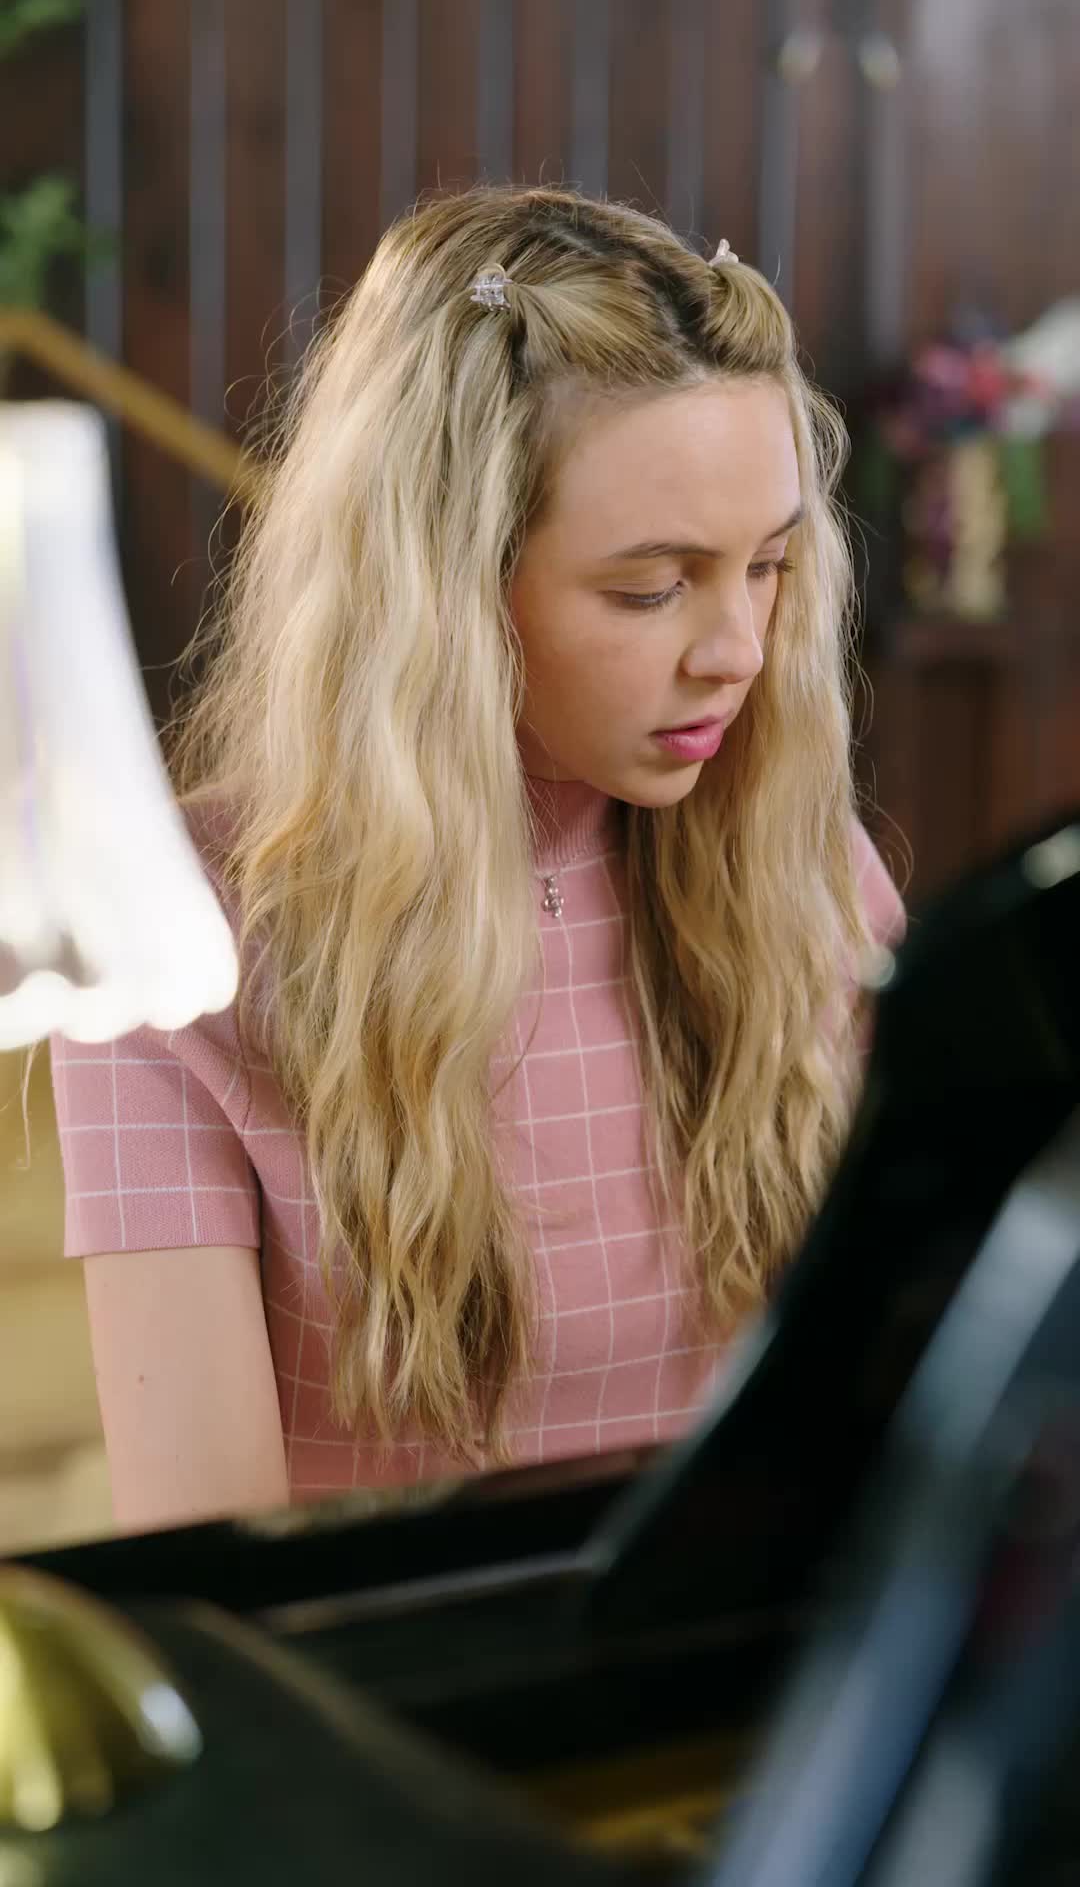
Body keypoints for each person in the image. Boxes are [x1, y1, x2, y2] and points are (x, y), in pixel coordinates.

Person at [51, 186, 905, 1533]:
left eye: (770, 566)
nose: (739, 651)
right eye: (650, 586)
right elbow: (205, 1563)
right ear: (441, 590)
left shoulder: (804, 868)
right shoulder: (176, 943)